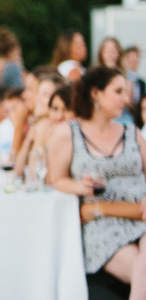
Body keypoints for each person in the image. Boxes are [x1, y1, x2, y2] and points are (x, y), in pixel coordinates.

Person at [47, 66, 146, 295]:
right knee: (142, 269)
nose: (126, 98)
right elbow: (55, 179)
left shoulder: (131, 132)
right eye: (118, 91)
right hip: (102, 222)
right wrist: (79, 186)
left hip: (140, 214)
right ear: (96, 94)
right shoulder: (68, 133)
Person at [14, 75, 64, 175]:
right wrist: (27, 142)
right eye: (38, 93)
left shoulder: (50, 127)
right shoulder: (38, 125)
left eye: (45, 94)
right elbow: (16, 171)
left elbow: (34, 174)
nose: (38, 98)